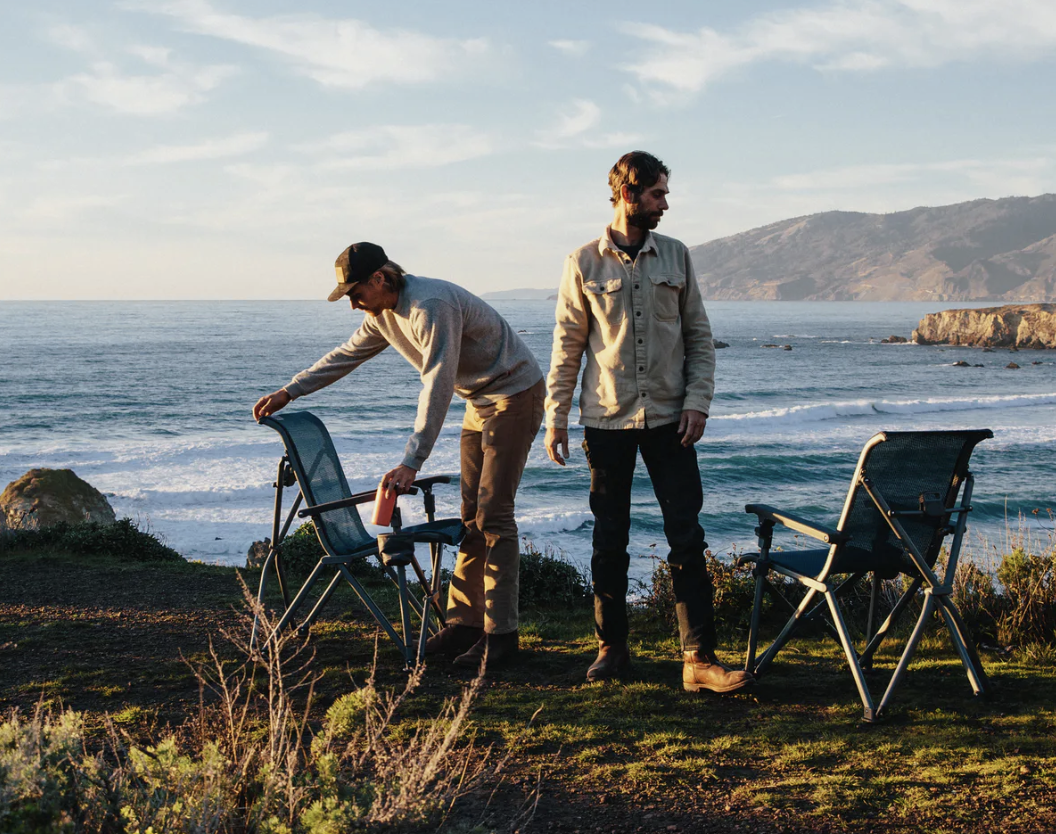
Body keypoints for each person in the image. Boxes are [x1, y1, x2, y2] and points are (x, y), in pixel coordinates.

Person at [254, 242, 544, 670]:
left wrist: (413, 460)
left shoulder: (429, 306)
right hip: (478, 401)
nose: (353, 305)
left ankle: (501, 637)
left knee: (495, 516)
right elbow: (344, 356)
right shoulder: (383, 315)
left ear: (380, 278)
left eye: (355, 294)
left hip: (512, 394)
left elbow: (438, 383)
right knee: (471, 519)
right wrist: (289, 390)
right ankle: (465, 624)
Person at [543, 152, 753, 693]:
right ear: (627, 194)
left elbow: (700, 338)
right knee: (609, 538)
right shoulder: (582, 263)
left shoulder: (677, 257)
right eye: (658, 193)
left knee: (687, 535)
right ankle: (611, 649)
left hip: (670, 420)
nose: (666, 203)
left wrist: (698, 402)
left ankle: (698, 660)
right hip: (605, 419)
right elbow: (567, 348)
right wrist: (556, 417)